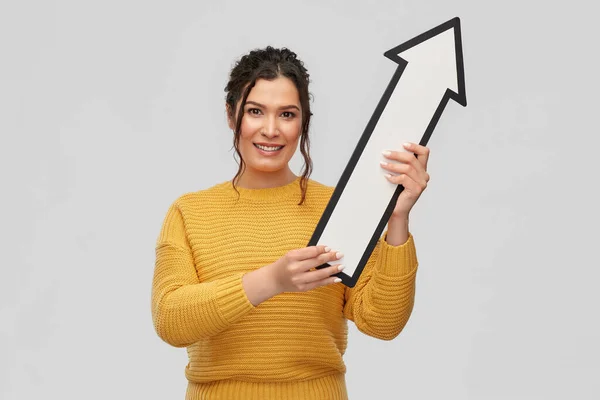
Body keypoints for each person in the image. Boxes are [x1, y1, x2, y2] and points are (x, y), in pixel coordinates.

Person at [151, 46, 431, 400]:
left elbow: (383, 323)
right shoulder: (189, 212)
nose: (271, 130)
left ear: (304, 122)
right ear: (230, 114)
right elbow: (171, 321)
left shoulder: (338, 207)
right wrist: (273, 279)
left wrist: (396, 218)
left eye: (287, 114)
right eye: (255, 111)